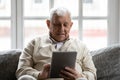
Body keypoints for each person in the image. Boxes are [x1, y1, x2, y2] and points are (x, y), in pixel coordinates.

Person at [16, 7, 96, 80]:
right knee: (24, 78)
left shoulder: (82, 46)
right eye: (57, 25)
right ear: (48, 24)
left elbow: (92, 73)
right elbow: (21, 70)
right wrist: (39, 75)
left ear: (70, 25)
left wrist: (78, 76)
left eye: (65, 25)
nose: (61, 29)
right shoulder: (34, 43)